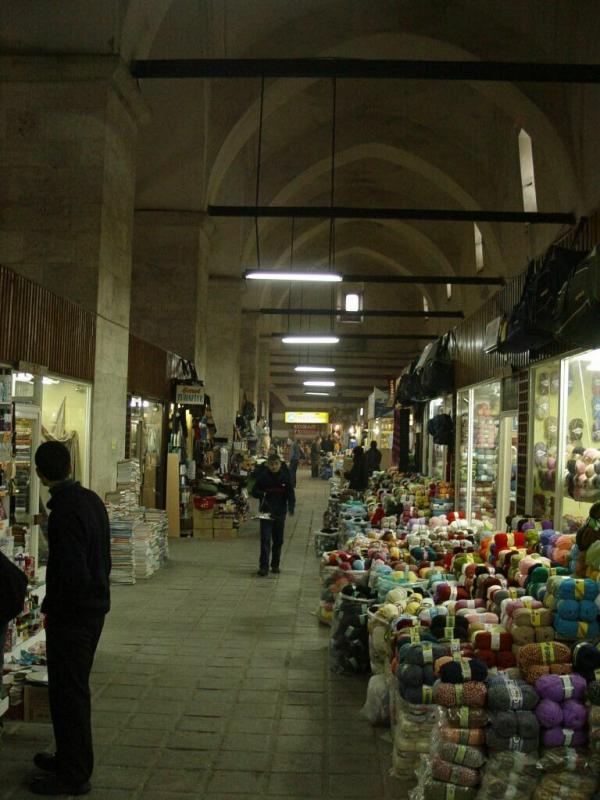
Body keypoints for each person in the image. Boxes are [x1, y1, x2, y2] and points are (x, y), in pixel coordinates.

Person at [30, 441, 111, 797]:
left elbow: (71, 572)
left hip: (74, 617)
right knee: (68, 692)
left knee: (69, 694)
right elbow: (102, 559)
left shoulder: (64, 512)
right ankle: (67, 758)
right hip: (93, 610)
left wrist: (56, 610)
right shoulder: (90, 499)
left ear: (41, 474)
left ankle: (74, 774)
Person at [251, 453, 295, 576]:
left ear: (280, 465)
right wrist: (261, 494)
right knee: (265, 539)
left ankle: (275, 565)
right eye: (271, 464)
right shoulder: (263, 477)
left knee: (278, 540)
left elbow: (290, 493)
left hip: (280, 512)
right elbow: (254, 491)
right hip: (266, 512)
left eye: (276, 464)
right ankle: (263, 566)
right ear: (268, 465)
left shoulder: (285, 478)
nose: (274, 466)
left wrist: (291, 506)